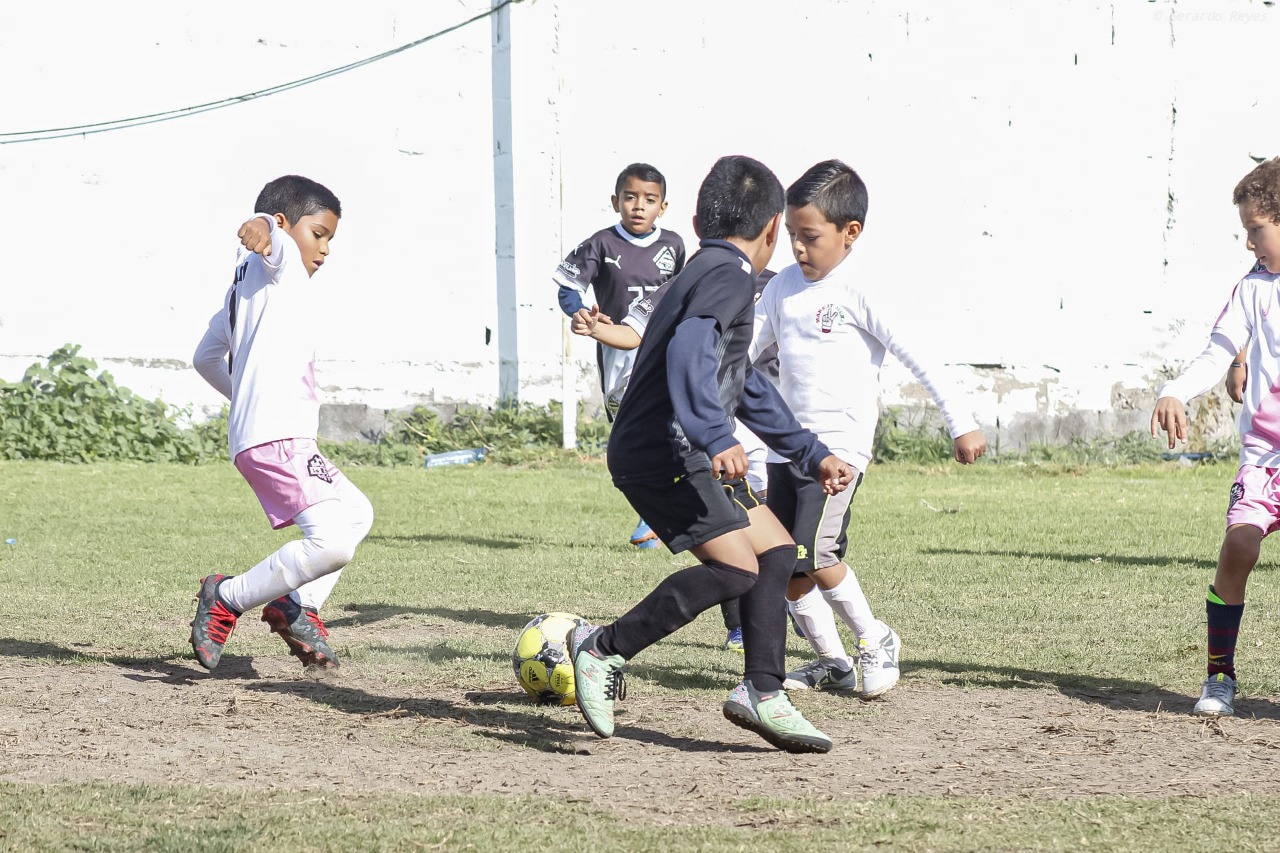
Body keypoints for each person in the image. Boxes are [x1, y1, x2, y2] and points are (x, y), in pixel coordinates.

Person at [567, 155, 857, 754]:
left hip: (677, 445)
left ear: (697, 218)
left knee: (776, 548)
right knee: (737, 568)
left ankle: (762, 691)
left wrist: (809, 452)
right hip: (662, 451)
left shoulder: (706, 268)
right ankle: (602, 649)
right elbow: (691, 353)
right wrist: (714, 434)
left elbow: (740, 381)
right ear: (773, 228)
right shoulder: (728, 275)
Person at [750, 160, 987, 699]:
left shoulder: (863, 290)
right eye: (791, 236)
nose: (798, 249)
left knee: (819, 554)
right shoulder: (781, 287)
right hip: (788, 448)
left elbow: (919, 357)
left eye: (809, 237)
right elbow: (745, 351)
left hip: (841, 451)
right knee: (784, 563)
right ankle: (832, 662)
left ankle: (875, 637)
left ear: (849, 232)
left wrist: (962, 422)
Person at [189, 175, 375, 672]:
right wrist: (261, 226)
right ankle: (228, 597)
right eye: (320, 233)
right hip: (278, 437)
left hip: (276, 435)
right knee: (331, 542)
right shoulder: (278, 261)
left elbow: (206, 358)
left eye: (332, 238)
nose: (326, 249)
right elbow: (268, 235)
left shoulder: (244, 289)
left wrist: (247, 400)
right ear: (288, 224)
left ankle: (297, 604)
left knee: (356, 514)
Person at [572, 268, 779, 652]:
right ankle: (739, 629)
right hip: (710, 432)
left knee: (771, 547)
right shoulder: (692, 281)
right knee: (734, 543)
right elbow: (635, 333)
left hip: (760, 425)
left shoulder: (778, 285)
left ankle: (767, 649)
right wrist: (596, 329)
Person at [1151, 157, 1280, 717]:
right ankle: (1219, 676)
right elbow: (1218, 350)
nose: (1249, 243)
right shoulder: (1253, 290)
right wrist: (1176, 389)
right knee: (1239, 547)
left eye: (1256, 229)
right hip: (1264, 456)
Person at [554, 163, 687, 550]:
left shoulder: (675, 245)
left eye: (649, 200)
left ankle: (655, 516)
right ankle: (655, 507)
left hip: (662, 349)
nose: (638, 206)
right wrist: (578, 311)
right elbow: (568, 287)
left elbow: (683, 292)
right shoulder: (600, 244)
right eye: (630, 198)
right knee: (629, 433)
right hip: (617, 350)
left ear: (662, 207)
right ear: (616, 201)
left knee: (665, 425)